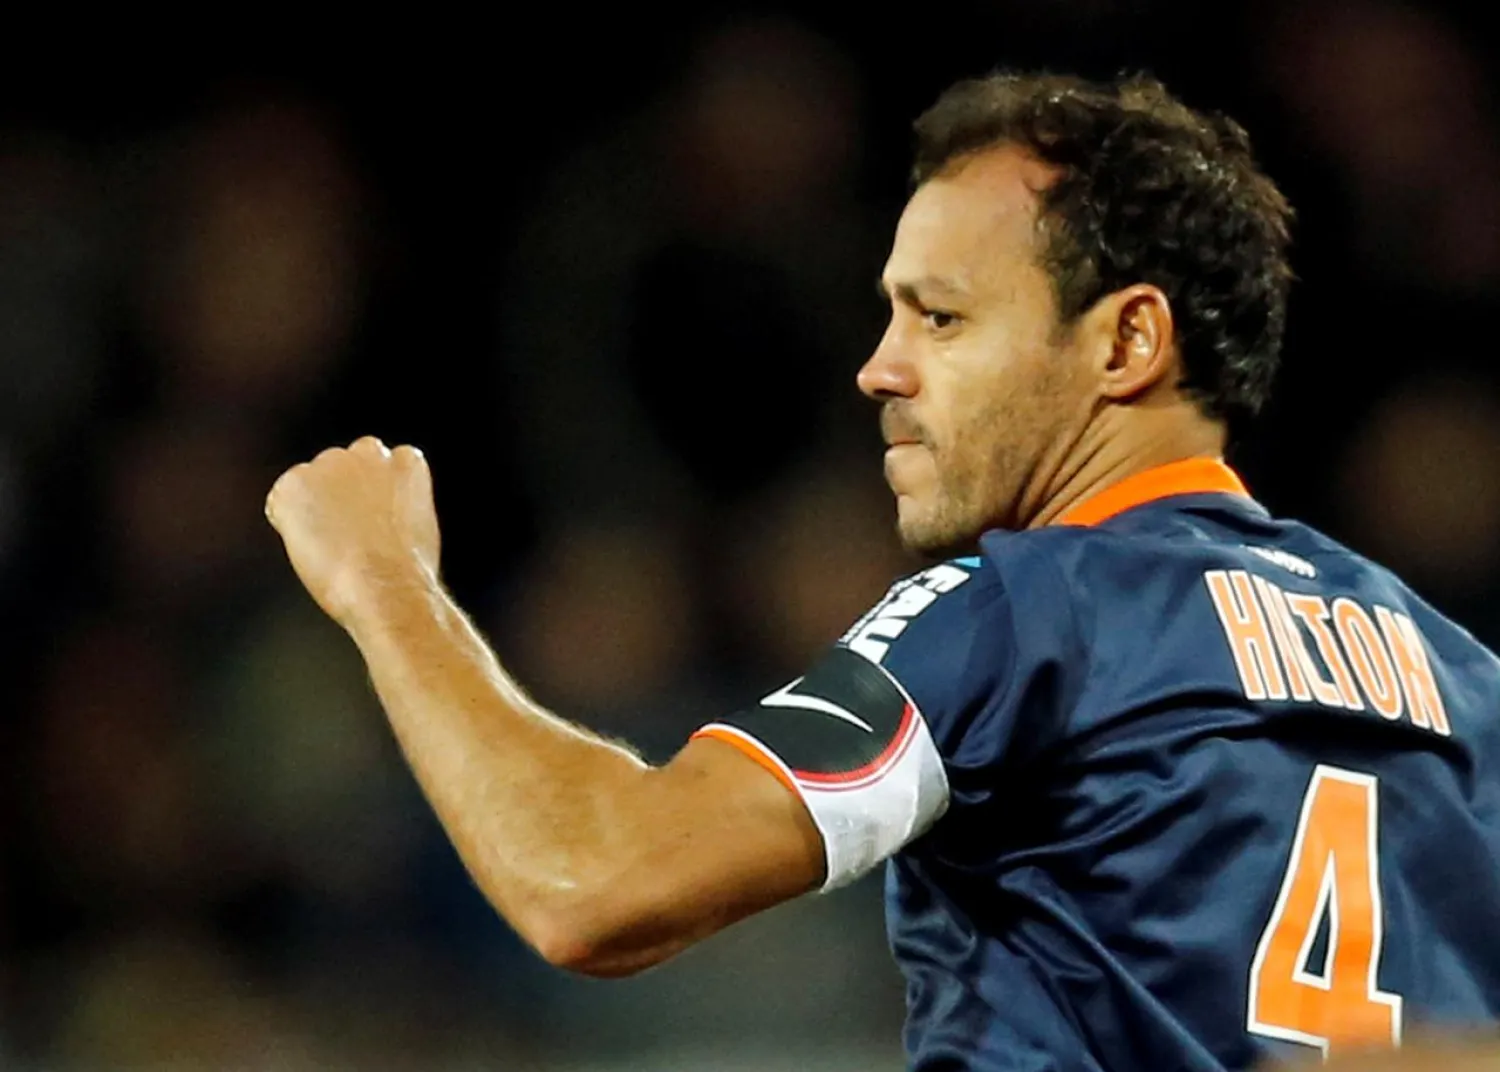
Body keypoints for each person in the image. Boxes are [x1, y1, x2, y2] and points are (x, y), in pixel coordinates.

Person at [264, 71, 1500, 1071]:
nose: (880, 368)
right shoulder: (1463, 678)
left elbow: (592, 881)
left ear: (1127, 339)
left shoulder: (1024, 615)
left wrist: (387, 586)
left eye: (941, 318)